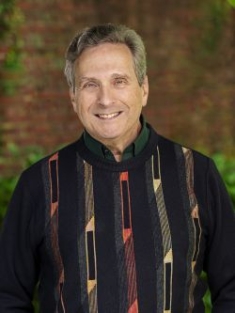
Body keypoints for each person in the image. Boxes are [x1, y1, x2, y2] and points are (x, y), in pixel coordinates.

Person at [0, 23, 234, 313]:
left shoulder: (197, 174)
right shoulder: (40, 183)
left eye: (119, 81)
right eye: (89, 84)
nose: (105, 99)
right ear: (73, 97)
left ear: (144, 88)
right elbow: (7, 296)